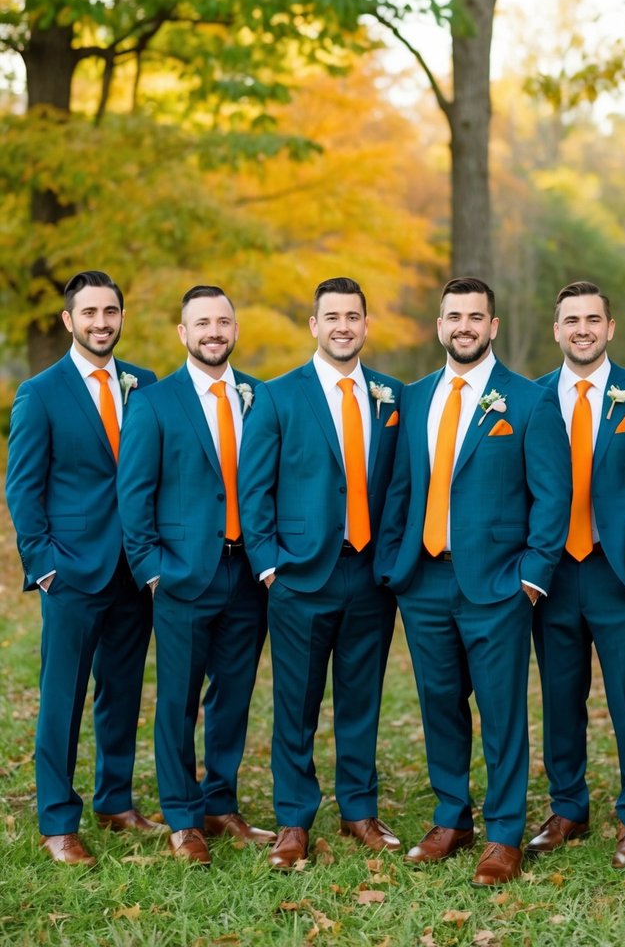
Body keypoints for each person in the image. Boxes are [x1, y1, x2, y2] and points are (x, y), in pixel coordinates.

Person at [374, 277, 572, 886]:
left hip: (499, 585)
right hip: (425, 581)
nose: (464, 325)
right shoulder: (414, 397)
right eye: (453, 315)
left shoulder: (529, 400)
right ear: (441, 326)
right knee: (440, 705)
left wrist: (533, 577)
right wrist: (393, 568)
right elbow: (400, 488)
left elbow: (553, 493)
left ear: (494, 327)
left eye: (475, 316)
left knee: (502, 710)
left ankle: (505, 832)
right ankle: (450, 816)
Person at [238, 276, 403, 869]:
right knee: (296, 703)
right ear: (314, 325)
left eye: (353, 316)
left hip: (370, 575)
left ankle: (359, 810)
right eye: (331, 316)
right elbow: (252, 488)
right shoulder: (278, 397)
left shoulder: (392, 396)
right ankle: (293, 820)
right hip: (298, 578)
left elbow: (403, 484)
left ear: (365, 325)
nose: (342, 326)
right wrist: (268, 568)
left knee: (362, 698)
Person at [5, 270, 158, 866]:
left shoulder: (143, 385)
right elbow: (23, 488)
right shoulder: (40, 392)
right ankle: (56, 820)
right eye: (89, 313)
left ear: (122, 317)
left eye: (111, 312)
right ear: (69, 321)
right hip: (70, 571)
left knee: (121, 691)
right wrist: (43, 565)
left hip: (135, 570)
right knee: (62, 696)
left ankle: (114, 801)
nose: (102, 323)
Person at [118, 285, 274, 865]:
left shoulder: (260, 395)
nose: (214, 331)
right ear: (183, 333)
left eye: (223, 321)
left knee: (233, 695)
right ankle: (183, 817)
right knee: (178, 701)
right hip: (182, 577)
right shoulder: (155, 403)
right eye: (202, 323)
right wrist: (153, 571)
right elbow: (133, 497)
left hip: (247, 573)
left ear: (235, 330)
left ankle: (220, 801)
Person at [527, 281, 625, 869]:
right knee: (561, 698)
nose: (582, 329)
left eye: (593, 319)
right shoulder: (531, 398)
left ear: (610, 328)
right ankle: (568, 807)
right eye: (571, 320)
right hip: (553, 574)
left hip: (624, 574)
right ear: (557, 330)